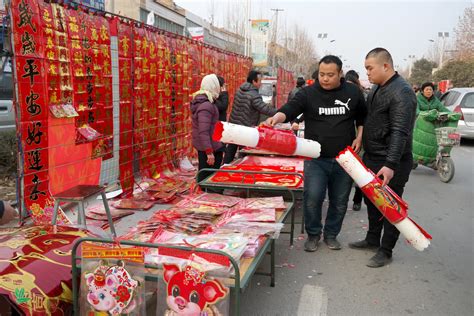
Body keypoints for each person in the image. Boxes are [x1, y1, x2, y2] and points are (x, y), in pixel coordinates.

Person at [266, 55, 367, 252]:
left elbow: (362, 117)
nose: (325, 79)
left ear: (340, 74)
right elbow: (290, 108)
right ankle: (313, 235)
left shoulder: (353, 92)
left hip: (344, 159)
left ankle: (331, 235)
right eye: (322, 74)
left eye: (330, 75)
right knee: (312, 197)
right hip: (316, 159)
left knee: (339, 201)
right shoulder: (308, 93)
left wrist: (359, 137)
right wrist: (276, 118)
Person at [348, 48, 417, 268]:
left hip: (391, 161)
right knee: (372, 202)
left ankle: (385, 250)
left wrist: (390, 164)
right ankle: (371, 239)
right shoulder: (378, 87)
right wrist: (361, 137)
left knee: (390, 206)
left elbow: (400, 131)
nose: (366, 72)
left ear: (385, 66)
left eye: (370, 68)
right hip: (373, 155)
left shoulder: (402, 92)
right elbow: (371, 119)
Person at [224, 70, 277, 163]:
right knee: (245, 153)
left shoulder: (240, 89)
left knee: (231, 148)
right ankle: (242, 171)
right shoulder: (253, 94)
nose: (260, 83)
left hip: (234, 124)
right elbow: (264, 108)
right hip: (245, 128)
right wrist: (281, 113)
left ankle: (223, 169)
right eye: (259, 81)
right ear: (254, 81)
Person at [191, 74, 225, 183]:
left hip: (210, 145)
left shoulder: (207, 102)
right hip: (209, 147)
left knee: (208, 177)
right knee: (208, 178)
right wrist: (209, 152)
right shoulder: (206, 105)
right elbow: (203, 131)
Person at [345, 70, 366, 211]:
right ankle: (342, 199)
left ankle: (357, 200)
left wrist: (360, 137)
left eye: (352, 84)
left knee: (359, 172)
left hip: (359, 139)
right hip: (344, 139)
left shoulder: (361, 97)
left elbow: (363, 120)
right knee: (345, 174)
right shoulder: (340, 96)